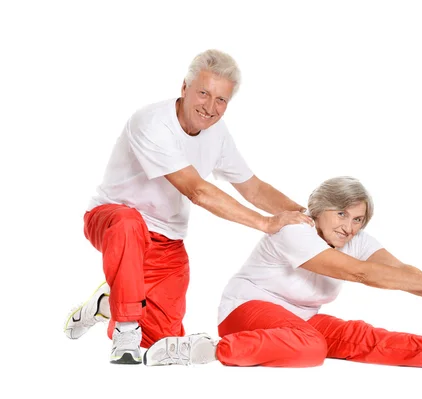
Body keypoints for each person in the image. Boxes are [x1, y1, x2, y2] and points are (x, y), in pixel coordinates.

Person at [63, 49, 313, 365]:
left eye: (221, 100)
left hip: (167, 241)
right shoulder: (151, 122)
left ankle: (108, 304)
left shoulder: (217, 134)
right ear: (185, 88)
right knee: (129, 223)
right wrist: (265, 224)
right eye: (203, 93)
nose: (210, 107)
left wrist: (307, 216)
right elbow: (196, 190)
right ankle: (125, 330)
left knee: (163, 341)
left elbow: (254, 187)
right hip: (112, 219)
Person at [143, 176, 422, 372]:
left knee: (356, 335)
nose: (349, 227)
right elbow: (360, 274)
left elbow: (400, 272)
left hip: (297, 319)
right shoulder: (295, 229)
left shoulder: (356, 240)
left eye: (357, 219)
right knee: (311, 347)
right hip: (245, 310)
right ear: (320, 209)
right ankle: (208, 348)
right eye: (341, 214)